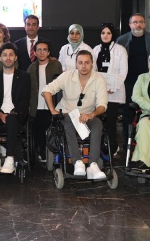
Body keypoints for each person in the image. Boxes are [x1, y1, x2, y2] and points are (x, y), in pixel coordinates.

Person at [42, 50, 108, 179]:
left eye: (87, 63)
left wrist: (92, 115)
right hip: (67, 113)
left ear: (92, 63)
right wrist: (52, 110)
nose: (83, 66)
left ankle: (93, 165)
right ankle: (77, 162)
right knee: (68, 121)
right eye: (80, 63)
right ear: (76, 64)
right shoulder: (67, 76)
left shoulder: (99, 79)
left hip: (87, 115)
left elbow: (102, 105)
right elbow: (47, 90)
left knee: (98, 124)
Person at [116, 13, 150, 153]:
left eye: (140, 22)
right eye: (135, 22)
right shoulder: (122, 40)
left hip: (147, 81)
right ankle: (127, 142)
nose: (138, 25)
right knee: (128, 111)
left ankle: (145, 141)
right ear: (130, 25)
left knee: (146, 110)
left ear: (144, 24)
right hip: (128, 82)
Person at [0, 43, 31, 174]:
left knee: (11, 119)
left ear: (15, 57)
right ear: (0, 58)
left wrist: (13, 112)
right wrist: (0, 113)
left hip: (17, 113)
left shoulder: (24, 76)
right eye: (5, 55)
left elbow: (25, 100)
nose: (8, 58)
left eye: (11, 55)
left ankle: (10, 158)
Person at [92, 23, 128, 157]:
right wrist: (100, 87)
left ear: (113, 35)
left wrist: (113, 86)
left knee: (111, 121)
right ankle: (99, 147)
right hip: (99, 91)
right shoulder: (96, 49)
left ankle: (112, 147)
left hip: (114, 92)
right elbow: (92, 70)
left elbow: (123, 72)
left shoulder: (120, 50)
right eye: (103, 33)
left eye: (108, 33)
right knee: (98, 121)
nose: (105, 35)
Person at [27, 40, 62, 162]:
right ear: (35, 53)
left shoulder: (56, 65)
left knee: (50, 131)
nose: (42, 52)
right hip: (35, 106)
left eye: (44, 50)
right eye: (39, 50)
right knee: (38, 132)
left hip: (51, 105)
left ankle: (49, 153)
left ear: (48, 52)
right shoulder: (31, 68)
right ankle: (39, 152)